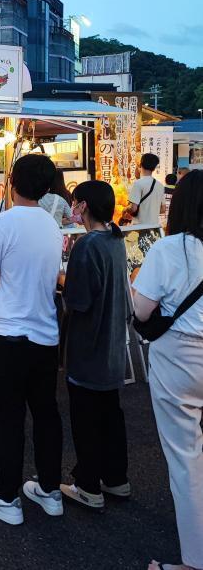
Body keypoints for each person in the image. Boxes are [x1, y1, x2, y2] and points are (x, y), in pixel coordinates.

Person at [0, 154, 64, 525]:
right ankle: (50, 491)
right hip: (45, 335)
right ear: (47, 187)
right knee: (46, 414)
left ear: (11, 181)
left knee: (7, 418)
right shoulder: (52, 225)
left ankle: (6, 497)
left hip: (8, 333)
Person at [133, 170, 203, 570]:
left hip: (180, 357)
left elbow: (141, 309)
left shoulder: (169, 248)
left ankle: (194, 560)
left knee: (186, 457)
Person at [60, 180, 131, 510]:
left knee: (86, 418)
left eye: (75, 202)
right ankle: (116, 479)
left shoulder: (86, 245)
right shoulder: (115, 239)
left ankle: (88, 486)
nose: (73, 209)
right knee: (110, 415)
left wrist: (60, 280)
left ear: (84, 206)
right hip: (113, 348)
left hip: (89, 347)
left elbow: (79, 300)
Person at [125, 153, 164, 225]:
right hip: (154, 226)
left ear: (140, 164)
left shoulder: (138, 183)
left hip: (139, 226)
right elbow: (163, 209)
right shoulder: (160, 186)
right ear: (154, 168)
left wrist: (125, 210)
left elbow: (133, 208)